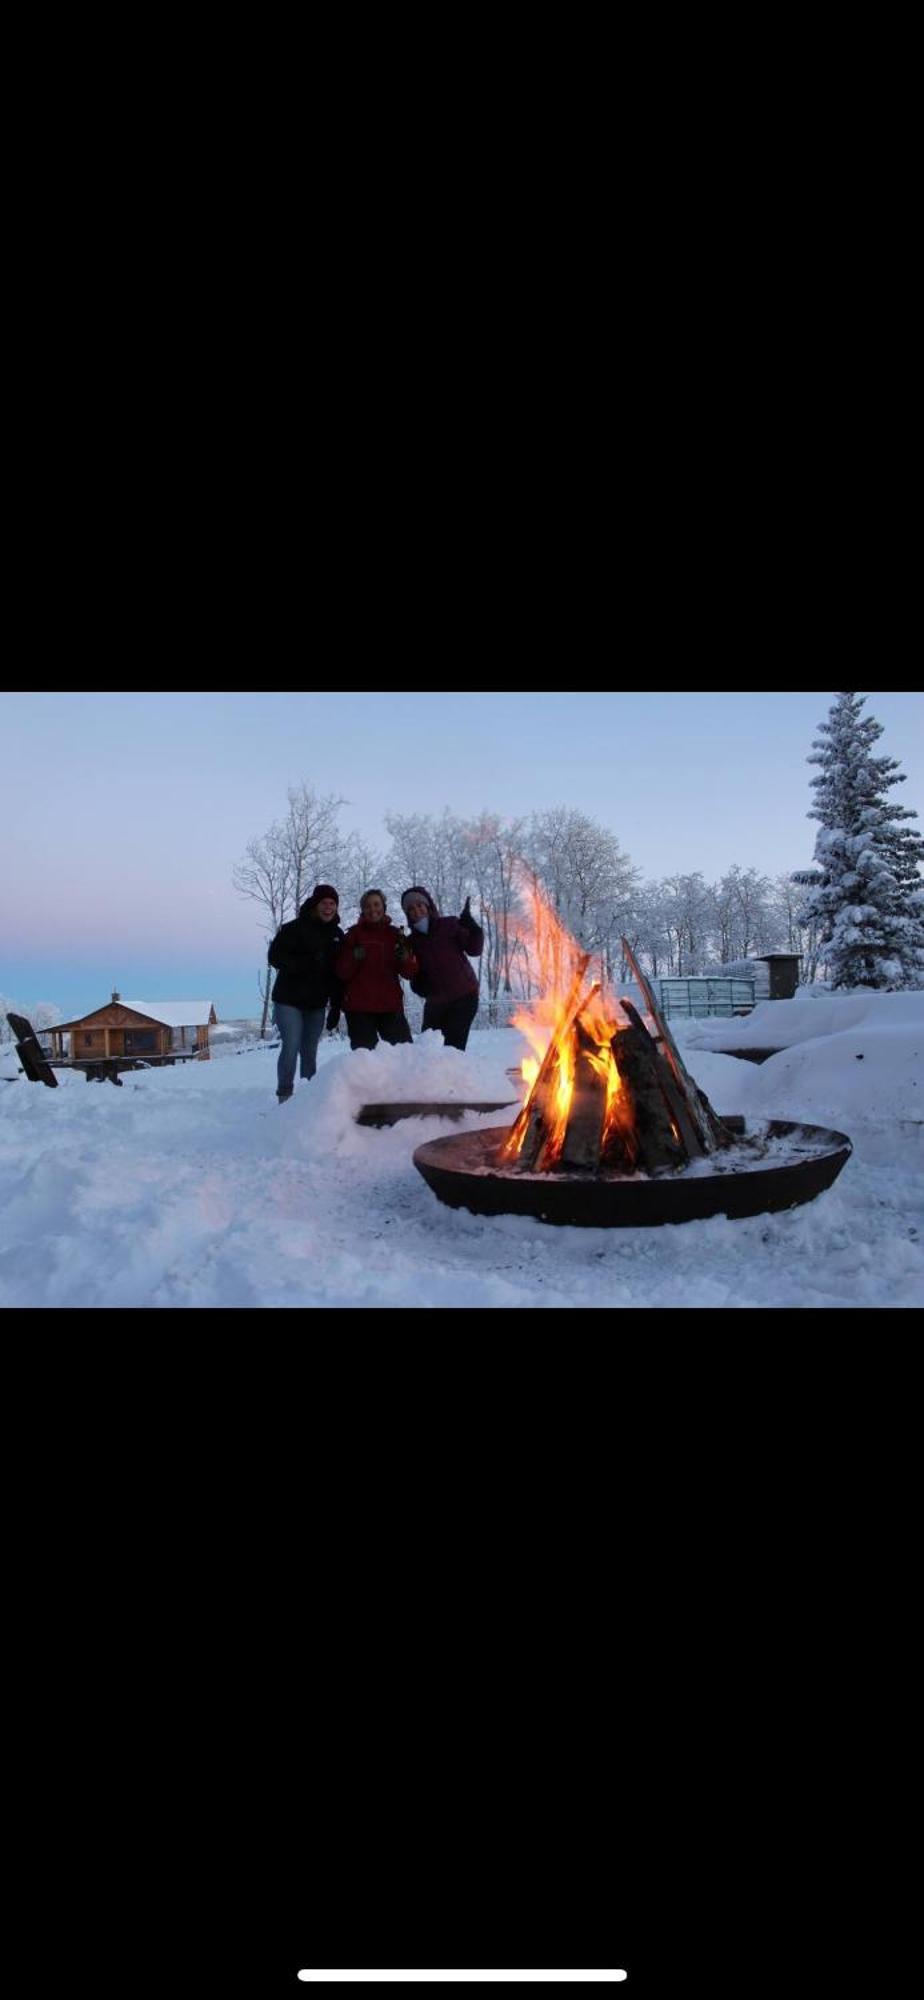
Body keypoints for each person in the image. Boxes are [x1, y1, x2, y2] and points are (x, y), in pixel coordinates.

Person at [267, 884, 344, 1102]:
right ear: (315, 904)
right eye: (324, 903)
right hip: (288, 1001)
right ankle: (285, 1096)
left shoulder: (337, 935)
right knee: (291, 1047)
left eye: (332, 904)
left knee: (309, 1053)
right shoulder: (294, 928)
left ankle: (307, 1101)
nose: (328, 908)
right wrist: (307, 962)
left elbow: (337, 975)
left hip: (316, 1004)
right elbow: (275, 957)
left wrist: (336, 1007)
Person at [399, 885, 484, 1050]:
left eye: (419, 905)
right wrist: (418, 984)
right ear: (407, 914)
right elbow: (412, 972)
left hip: (464, 996)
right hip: (436, 1002)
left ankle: (456, 1075)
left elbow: (474, 949)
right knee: (427, 1047)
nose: (416, 911)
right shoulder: (411, 942)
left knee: (452, 1048)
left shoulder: (449, 925)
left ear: (428, 906)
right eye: (411, 909)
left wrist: (472, 928)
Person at [335, 889, 417, 1050]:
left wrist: (405, 958)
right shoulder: (353, 935)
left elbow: (409, 973)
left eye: (376, 904)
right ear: (362, 910)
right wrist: (353, 957)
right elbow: (341, 972)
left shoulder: (396, 935)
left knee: (405, 1055)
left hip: (390, 1006)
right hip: (359, 1009)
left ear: (384, 906)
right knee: (365, 1063)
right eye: (367, 906)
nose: (373, 909)